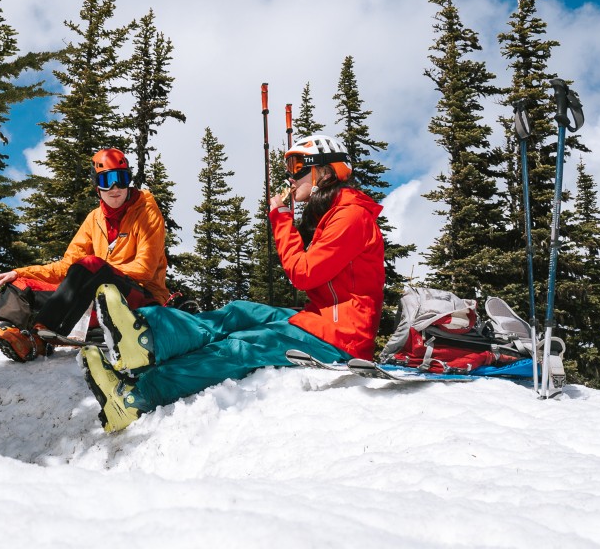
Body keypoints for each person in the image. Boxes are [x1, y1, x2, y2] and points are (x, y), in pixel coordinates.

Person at [79, 134, 385, 432]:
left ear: (326, 171)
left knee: (241, 347)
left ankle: (136, 398)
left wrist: (281, 220)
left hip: (341, 338)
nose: (290, 177)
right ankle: (148, 338)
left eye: (297, 167)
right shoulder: (335, 213)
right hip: (320, 322)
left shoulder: (351, 216)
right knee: (239, 312)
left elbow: (303, 273)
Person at [0, 148, 170, 362]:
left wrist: (96, 274)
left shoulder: (146, 211)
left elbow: (144, 270)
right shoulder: (94, 219)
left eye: (120, 178)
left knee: (90, 265)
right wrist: (18, 272)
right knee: (21, 285)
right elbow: (66, 267)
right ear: (96, 186)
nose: (114, 187)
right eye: (105, 180)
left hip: (140, 299)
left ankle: (38, 338)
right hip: (94, 297)